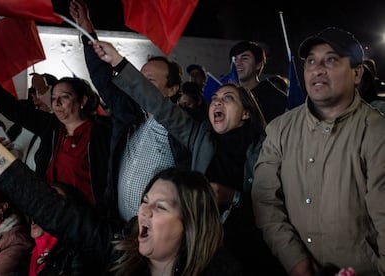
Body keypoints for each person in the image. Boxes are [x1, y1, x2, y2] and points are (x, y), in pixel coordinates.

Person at [91, 40, 286, 274]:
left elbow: (273, 206)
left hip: (246, 252)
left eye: (228, 98)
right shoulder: (198, 136)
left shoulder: (265, 150)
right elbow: (159, 106)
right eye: (214, 98)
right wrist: (118, 62)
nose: (217, 101)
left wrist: (233, 197)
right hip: (200, 249)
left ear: (246, 113)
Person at [0, 118, 244, 275]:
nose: (144, 212)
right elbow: (56, 212)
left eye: (160, 207)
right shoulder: (121, 249)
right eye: (145, 201)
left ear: (191, 222)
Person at [251, 26, 385, 275]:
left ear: (357, 74)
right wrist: (295, 261)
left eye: (331, 60)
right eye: (311, 61)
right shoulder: (280, 129)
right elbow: (265, 201)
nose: (317, 69)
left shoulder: (376, 132)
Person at [70, 0, 191, 227]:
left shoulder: (183, 129)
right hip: (120, 228)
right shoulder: (129, 113)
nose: (139, 87)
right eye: (138, 80)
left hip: (159, 233)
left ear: (173, 89)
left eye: (149, 82)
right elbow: (102, 76)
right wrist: (87, 30)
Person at [0, 64, 112, 213]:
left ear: (82, 100)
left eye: (64, 97)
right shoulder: (51, 127)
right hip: (49, 211)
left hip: (86, 217)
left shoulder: (101, 133)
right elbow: (13, 109)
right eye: (53, 98)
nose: (56, 103)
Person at [29, 182, 97, 275]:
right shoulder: (26, 256)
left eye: (51, 205)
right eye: (41, 203)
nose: (42, 210)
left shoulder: (76, 255)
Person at [229, 40, 287, 123]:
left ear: (258, 65)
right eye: (234, 59)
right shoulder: (228, 95)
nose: (237, 63)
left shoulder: (274, 97)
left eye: (244, 58)